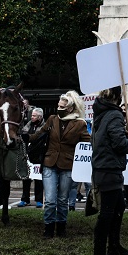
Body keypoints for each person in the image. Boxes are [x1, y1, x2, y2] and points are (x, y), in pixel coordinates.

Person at [36, 93, 91, 238]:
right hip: (49, 163)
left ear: (71, 108)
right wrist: (22, 137)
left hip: (68, 165)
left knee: (62, 199)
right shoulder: (52, 119)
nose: (59, 108)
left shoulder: (80, 124)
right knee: (50, 199)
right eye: (58, 105)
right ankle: (48, 228)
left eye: (62, 106)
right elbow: (39, 134)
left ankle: (61, 227)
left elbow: (89, 143)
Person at [91, 87, 128, 255]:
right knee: (107, 214)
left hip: (103, 168)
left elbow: (106, 138)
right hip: (109, 168)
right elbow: (118, 144)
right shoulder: (115, 115)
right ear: (117, 97)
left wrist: (122, 135)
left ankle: (114, 246)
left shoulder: (101, 112)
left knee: (119, 207)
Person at [19, 107, 45, 208]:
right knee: (26, 179)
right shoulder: (28, 125)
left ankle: (39, 200)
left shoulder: (44, 126)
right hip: (27, 155)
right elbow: (23, 135)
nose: (32, 117)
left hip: (38, 155)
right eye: (32, 115)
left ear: (39, 116)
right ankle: (25, 199)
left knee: (38, 179)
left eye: (34, 116)